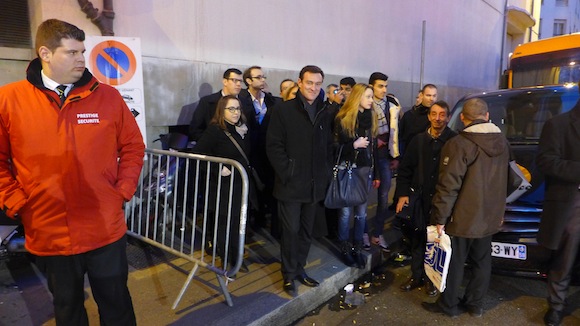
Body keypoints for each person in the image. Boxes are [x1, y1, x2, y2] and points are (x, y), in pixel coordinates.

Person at [0, 19, 145, 325]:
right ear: (45, 53)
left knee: (117, 303)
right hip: (50, 229)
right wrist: (18, 202)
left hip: (104, 226)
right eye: (71, 52)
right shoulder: (10, 99)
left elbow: (133, 147)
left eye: (82, 51)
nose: (81, 59)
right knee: (67, 308)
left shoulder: (107, 97)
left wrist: (122, 191)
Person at [422, 98, 510, 318]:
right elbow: (507, 180)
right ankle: (475, 305)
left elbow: (448, 186)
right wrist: (499, 212)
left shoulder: (459, 144)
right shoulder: (503, 143)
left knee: (455, 262)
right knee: (482, 261)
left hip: (462, 217)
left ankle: (449, 306)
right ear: (487, 116)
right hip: (489, 216)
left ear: (463, 118)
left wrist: (440, 217)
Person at [266, 65, 333, 296]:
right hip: (291, 185)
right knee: (290, 231)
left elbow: (328, 147)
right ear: (299, 82)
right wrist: (288, 172)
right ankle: (288, 274)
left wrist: (325, 174)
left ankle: (299, 270)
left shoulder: (325, 111)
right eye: (309, 83)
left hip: (315, 186)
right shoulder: (283, 110)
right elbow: (273, 146)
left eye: (317, 83)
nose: (313, 87)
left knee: (306, 232)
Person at [395, 100, 456, 297]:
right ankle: (416, 276)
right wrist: (403, 195)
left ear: (447, 117)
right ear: (429, 116)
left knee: (436, 243)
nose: (438, 118)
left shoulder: (454, 142)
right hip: (419, 199)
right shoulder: (418, 140)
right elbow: (405, 169)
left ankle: (433, 280)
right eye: (434, 114)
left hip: (442, 201)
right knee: (417, 239)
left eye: (442, 115)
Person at [193, 95, 254, 272]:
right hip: (223, 186)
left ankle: (236, 259)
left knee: (237, 223)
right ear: (222, 110)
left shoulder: (242, 129)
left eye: (238, 109)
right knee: (223, 224)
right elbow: (199, 155)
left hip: (240, 186)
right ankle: (226, 260)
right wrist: (218, 169)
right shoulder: (215, 130)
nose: (236, 113)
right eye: (231, 109)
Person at [536, 86, 580, 326]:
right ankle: (556, 306)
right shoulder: (559, 124)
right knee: (565, 258)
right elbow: (546, 161)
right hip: (572, 202)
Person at [332, 83, 380, 268]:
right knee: (345, 212)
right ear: (358, 97)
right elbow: (334, 148)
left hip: (365, 170)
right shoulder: (343, 118)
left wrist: (375, 172)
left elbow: (373, 148)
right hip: (347, 168)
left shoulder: (371, 118)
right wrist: (353, 145)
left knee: (361, 212)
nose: (371, 100)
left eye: (371, 97)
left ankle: (357, 247)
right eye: (368, 96)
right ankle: (344, 247)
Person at [239, 66, 279, 234]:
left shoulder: (270, 100)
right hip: (250, 149)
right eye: (259, 77)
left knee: (268, 185)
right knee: (252, 186)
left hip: (268, 150)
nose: (263, 80)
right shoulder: (241, 99)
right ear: (248, 80)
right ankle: (253, 218)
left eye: (263, 77)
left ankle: (264, 215)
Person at [368, 72, 401, 251]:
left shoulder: (391, 104)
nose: (384, 89)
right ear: (372, 86)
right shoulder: (365, 102)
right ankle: (363, 233)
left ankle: (377, 233)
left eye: (385, 86)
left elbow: (396, 132)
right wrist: (374, 141)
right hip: (369, 154)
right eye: (380, 86)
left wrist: (395, 156)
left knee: (383, 196)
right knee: (362, 199)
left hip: (384, 154)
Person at [189, 68, 243, 141]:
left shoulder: (245, 102)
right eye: (235, 80)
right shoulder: (207, 102)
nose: (238, 84)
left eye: (240, 81)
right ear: (225, 81)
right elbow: (195, 129)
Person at [399, 84, 437, 156]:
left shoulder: (438, 117)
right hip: (410, 156)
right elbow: (401, 138)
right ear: (422, 96)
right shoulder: (409, 115)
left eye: (434, 96)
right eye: (428, 95)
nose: (432, 99)